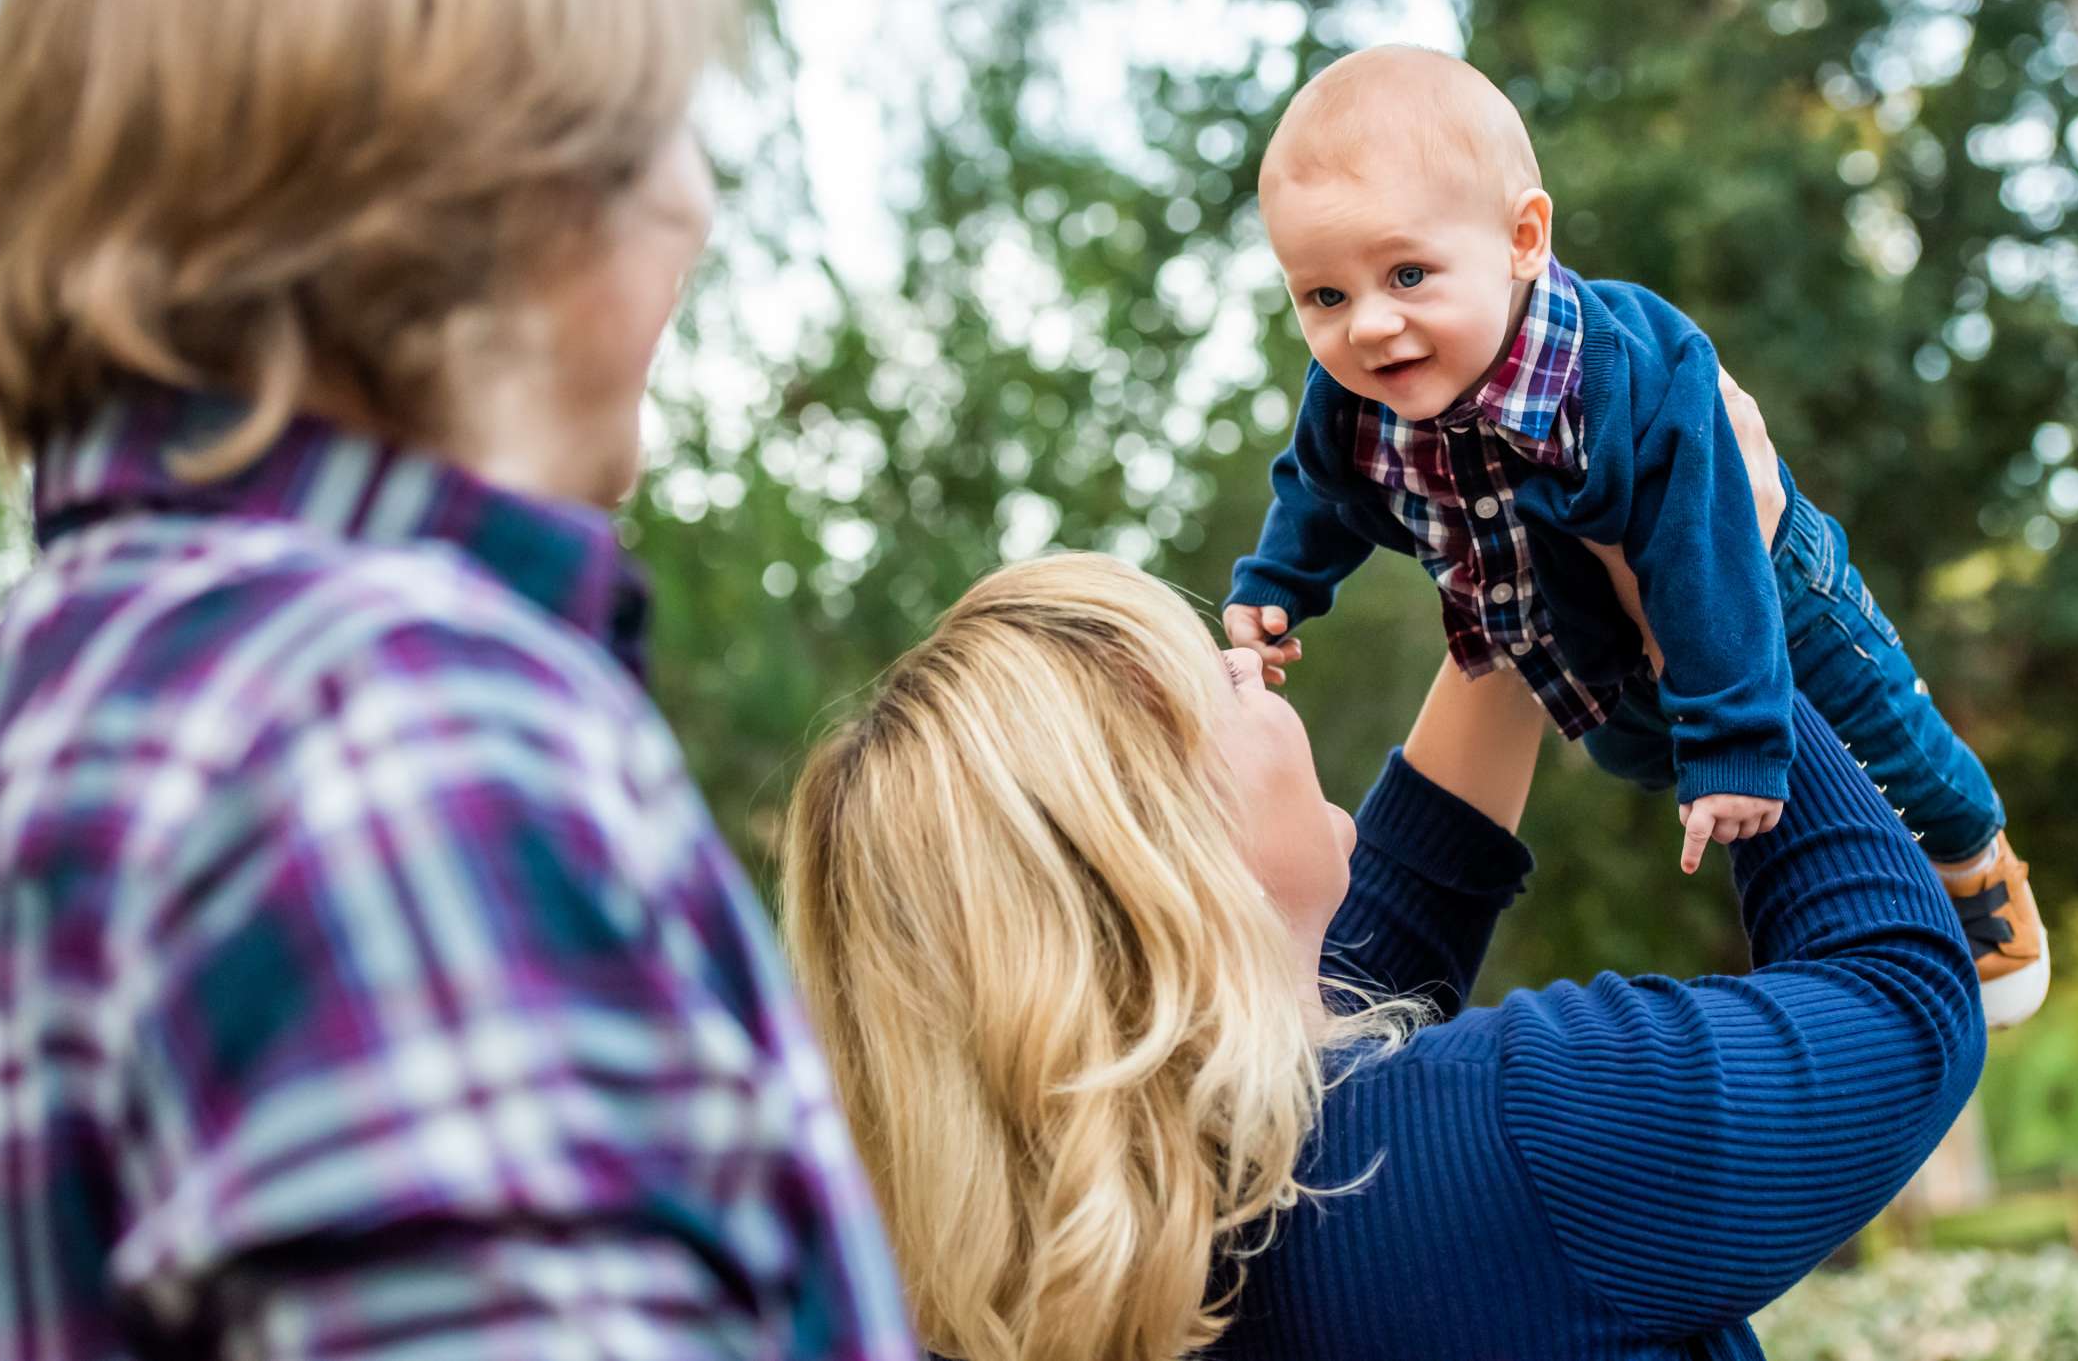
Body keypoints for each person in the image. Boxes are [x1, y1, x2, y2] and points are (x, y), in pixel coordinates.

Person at [0, 0, 913, 1355]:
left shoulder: (71, 697)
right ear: (503, 181)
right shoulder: (391, 723)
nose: (701, 201)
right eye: (664, 121)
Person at [781, 385, 1988, 1361]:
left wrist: (1517, 559)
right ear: (1169, 854)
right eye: (1227, 687)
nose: (1262, 685)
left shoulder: (1067, 1264)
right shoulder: (1531, 1135)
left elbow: (1374, 954)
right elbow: (1902, 997)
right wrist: (1709, 575)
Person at [1222, 43, 2047, 1026]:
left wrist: (1738, 739)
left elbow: (1699, 557)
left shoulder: (1626, 372)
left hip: (1764, 596)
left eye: (1408, 273)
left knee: (1883, 738)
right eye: (1325, 296)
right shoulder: (1356, 400)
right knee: (1656, 761)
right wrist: (1278, 583)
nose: (1368, 327)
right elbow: (1319, 491)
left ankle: (1972, 855)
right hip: (1596, 660)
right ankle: (1857, 846)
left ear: (1523, 239)